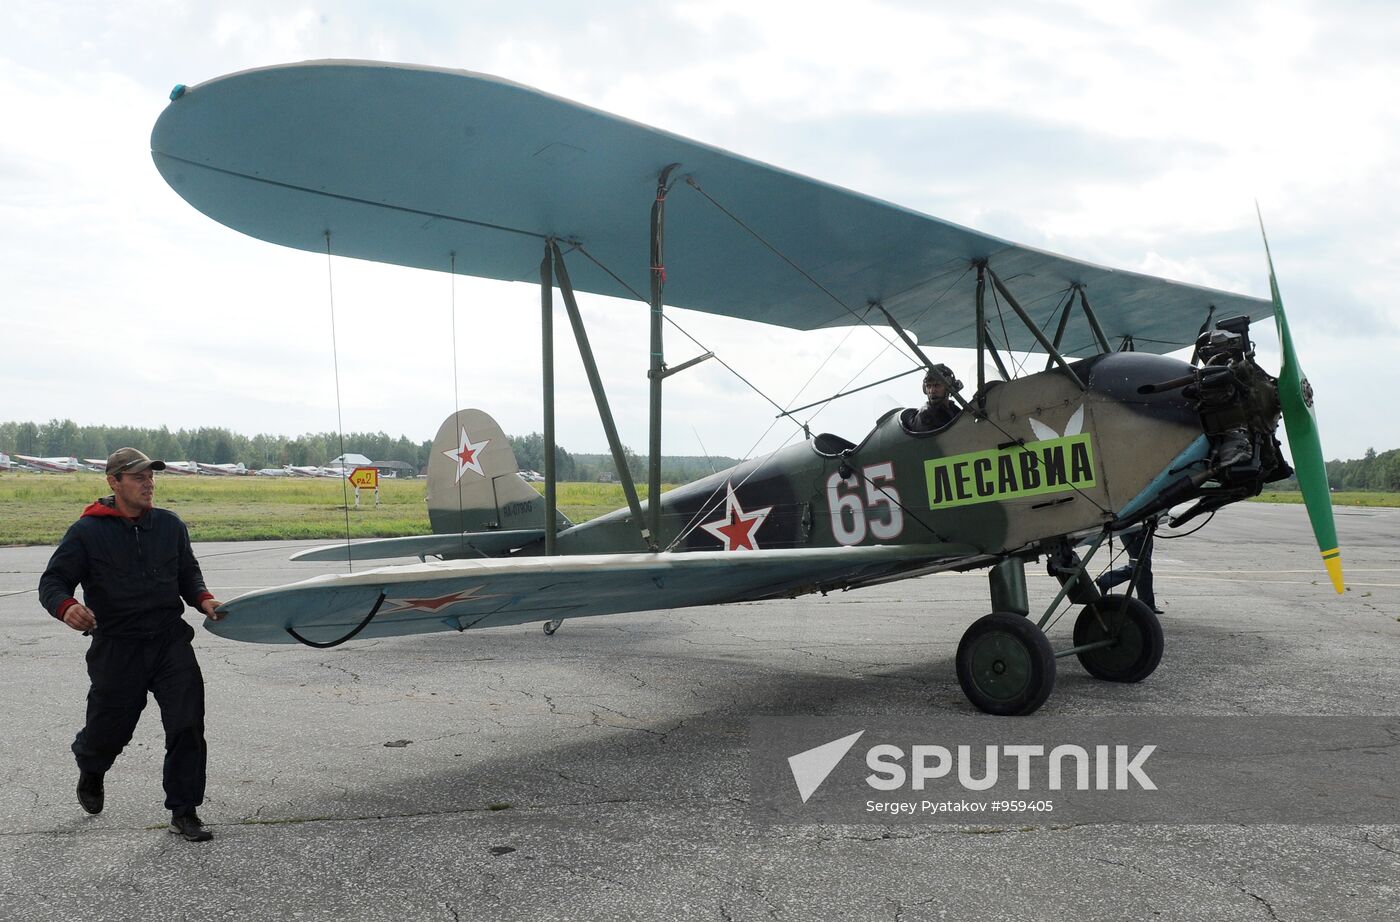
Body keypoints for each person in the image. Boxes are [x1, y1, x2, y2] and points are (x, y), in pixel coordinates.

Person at [38, 447, 224, 842]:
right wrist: (67, 607)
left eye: (151, 476)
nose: (148, 483)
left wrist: (203, 599)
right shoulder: (87, 532)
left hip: (169, 642)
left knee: (187, 723)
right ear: (114, 482)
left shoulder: (170, 526)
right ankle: (92, 766)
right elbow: (52, 582)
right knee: (110, 729)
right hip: (117, 647)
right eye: (139, 477)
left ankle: (184, 811)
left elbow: (188, 575)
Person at [1095, 515, 1163, 613]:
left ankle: (1106, 580)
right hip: (1134, 527)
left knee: (1140, 567)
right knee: (1143, 568)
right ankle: (1146, 604)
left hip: (1143, 527)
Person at [910, 364, 963, 432]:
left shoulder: (955, 410)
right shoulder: (925, 417)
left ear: (948, 388)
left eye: (937, 385)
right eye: (928, 386)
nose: (932, 391)